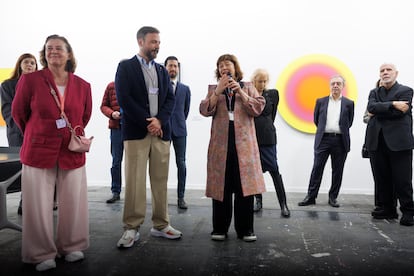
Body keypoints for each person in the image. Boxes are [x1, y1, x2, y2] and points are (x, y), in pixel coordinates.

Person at [11, 34, 92, 271]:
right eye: (49, 48)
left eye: (59, 48)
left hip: (71, 150)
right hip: (38, 148)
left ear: (69, 54)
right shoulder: (30, 81)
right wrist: (37, 133)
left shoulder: (82, 85)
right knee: (37, 203)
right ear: (44, 54)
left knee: (74, 201)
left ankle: (71, 245)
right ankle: (41, 252)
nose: (53, 51)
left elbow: (83, 116)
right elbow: (19, 113)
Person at [115, 26, 182, 249]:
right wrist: (148, 121)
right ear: (140, 41)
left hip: (161, 133)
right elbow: (124, 99)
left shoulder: (162, 71)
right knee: (135, 181)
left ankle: (161, 224)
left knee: (161, 181)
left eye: (159, 43)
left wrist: (160, 121)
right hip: (136, 133)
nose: (157, 46)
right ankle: (131, 227)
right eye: (153, 42)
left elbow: (170, 100)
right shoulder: (126, 67)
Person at [199, 54, 266, 242]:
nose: (223, 68)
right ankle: (219, 228)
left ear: (235, 68)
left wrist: (241, 93)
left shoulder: (249, 87)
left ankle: (246, 230)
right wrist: (217, 92)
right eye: (220, 66)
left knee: (244, 187)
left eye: (227, 64)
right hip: (221, 144)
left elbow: (258, 109)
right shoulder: (214, 89)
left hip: (244, 145)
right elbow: (204, 110)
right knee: (222, 186)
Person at [365, 63, 414, 226]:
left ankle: (408, 212)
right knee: (381, 178)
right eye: (382, 71)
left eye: (388, 70)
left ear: (396, 73)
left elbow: (400, 112)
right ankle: (388, 208)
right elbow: (371, 107)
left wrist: (380, 110)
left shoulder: (406, 90)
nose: (385, 73)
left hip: (399, 142)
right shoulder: (374, 92)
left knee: (402, 180)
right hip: (377, 142)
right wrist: (393, 104)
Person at [298, 75, 354, 208]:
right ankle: (311, 197)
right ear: (330, 86)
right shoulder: (321, 101)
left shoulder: (349, 103)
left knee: (337, 171)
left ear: (342, 86)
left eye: (338, 84)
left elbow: (349, 122)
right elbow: (317, 120)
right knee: (317, 168)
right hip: (323, 139)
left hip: (340, 140)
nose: (335, 86)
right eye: (333, 83)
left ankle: (333, 197)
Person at [1, 53, 38, 215]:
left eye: (33, 63)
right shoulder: (8, 85)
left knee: (36, 168)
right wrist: (22, 127)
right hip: (18, 133)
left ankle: (29, 201)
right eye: (26, 62)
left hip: (38, 132)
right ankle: (23, 201)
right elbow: (7, 110)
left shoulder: (41, 85)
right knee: (21, 167)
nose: (30, 65)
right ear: (20, 65)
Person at [251, 69, 290, 217]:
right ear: (254, 80)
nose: (262, 84)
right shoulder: (248, 94)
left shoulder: (272, 94)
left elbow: (271, 115)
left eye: (264, 81)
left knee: (274, 170)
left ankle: (283, 204)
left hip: (268, 139)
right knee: (254, 173)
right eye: (259, 81)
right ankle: (258, 201)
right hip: (252, 139)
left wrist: (265, 126)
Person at [363, 79, 397, 215]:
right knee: (379, 175)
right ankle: (380, 204)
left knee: (393, 177)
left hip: (392, 141)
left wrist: (379, 109)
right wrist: (383, 109)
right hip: (375, 139)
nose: (382, 87)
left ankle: (391, 205)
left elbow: (391, 112)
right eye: (380, 86)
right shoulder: (373, 98)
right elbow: (366, 117)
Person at [164, 56, 191, 209]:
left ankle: (181, 197)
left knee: (181, 163)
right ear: (165, 67)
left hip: (180, 130)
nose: (173, 68)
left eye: (175, 66)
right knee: (162, 165)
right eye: (170, 66)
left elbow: (185, 110)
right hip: (164, 130)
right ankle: (162, 198)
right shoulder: (160, 87)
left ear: (178, 68)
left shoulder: (185, 89)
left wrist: (178, 121)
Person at [100, 81, 123, 203]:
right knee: (116, 162)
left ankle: (133, 193)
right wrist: (112, 113)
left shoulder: (136, 83)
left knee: (134, 164)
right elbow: (103, 106)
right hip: (116, 129)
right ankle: (115, 191)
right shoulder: (111, 86)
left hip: (133, 130)